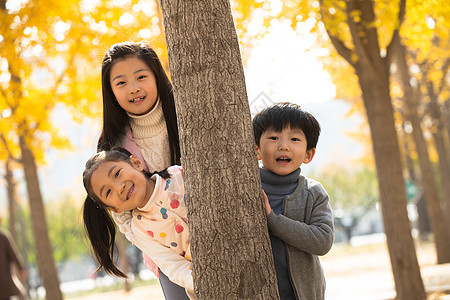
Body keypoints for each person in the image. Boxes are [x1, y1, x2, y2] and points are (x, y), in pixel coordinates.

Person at [96, 41, 188, 299]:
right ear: (111, 91)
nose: (134, 88)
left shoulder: (186, 116)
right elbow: (123, 217)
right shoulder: (112, 146)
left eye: (141, 77)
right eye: (121, 83)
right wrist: (154, 243)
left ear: (156, 76)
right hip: (165, 249)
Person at [82, 148, 194, 299]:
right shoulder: (141, 229)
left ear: (136, 163)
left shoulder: (178, 175)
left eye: (117, 174)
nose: (119, 187)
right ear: (114, 209)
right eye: (108, 192)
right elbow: (171, 265)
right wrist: (196, 277)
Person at [252, 102, 334, 300]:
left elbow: (323, 241)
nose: (284, 146)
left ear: (308, 154)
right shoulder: (246, 189)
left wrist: (273, 220)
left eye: (294, 139)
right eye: (273, 137)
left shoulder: (312, 192)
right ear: (256, 150)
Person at [0, 217, 26, 300]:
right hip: (4, 283)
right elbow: (14, 254)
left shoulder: (3, 237)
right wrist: (21, 269)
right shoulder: (3, 237)